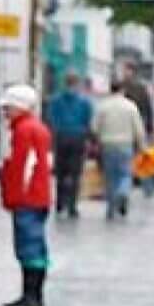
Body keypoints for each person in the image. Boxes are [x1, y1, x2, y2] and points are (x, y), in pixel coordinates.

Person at [0, 84, 53, 306]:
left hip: (27, 198)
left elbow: (21, 168)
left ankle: (31, 295)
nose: (5, 113)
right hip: (36, 196)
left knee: (28, 246)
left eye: (8, 108)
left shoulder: (24, 131)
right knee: (35, 245)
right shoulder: (36, 128)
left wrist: (13, 195)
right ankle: (32, 293)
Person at [91, 79, 147, 220]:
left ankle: (110, 209)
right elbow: (138, 129)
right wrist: (141, 146)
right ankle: (123, 193)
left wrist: (97, 140)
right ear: (123, 90)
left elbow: (94, 127)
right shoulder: (130, 107)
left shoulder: (102, 106)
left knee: (110, 177)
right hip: (125, 145)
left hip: (107, 145)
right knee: (125, 174)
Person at [46, 71, 93, 219]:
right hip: (78, 138)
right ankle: (72, 206)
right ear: (77, 83)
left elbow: (50, 117)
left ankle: (60, 204)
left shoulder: (56, 100)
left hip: (61, 137)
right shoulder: (85, 102)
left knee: (60, 172)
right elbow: (88, 120)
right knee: (75, 174)